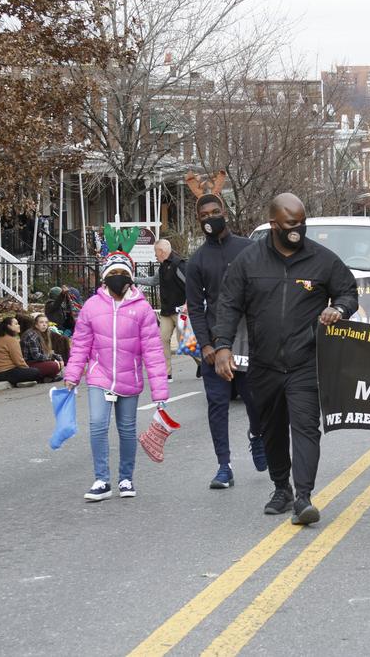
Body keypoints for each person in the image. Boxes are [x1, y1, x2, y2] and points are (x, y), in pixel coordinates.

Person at [213, 193, 358, 526]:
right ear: (274, 224)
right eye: (292, 224)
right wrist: (222, 346)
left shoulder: (323, 261)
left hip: (305, 361)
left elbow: (348, 290)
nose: (298, 230)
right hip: (263, 364)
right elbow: (229, 305)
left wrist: (339, 309)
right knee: (271, 430)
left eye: (302, 223)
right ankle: (282, 489)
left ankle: (304, 498)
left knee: (306, 428)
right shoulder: (249, 262)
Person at [63, 251, 169, 502]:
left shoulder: (142, 309)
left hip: (129, 378)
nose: (118, 278)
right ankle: (101, 479)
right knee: (98, 426)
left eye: (123, 274)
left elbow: (153, 354)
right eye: (113, 274)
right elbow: (80, 345)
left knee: (127, 429)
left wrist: (160, 394)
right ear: (104, 278)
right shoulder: (91, 307)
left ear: (131, 279)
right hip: (100, 377)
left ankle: (125, 478)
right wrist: (72, 374)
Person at [186, 194, 266, 489]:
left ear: (225, 213)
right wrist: (205, 345)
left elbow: (265, 292)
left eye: (214, 212)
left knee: (255, 402)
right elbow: (195, 307)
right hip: (215, 345)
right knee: (217, 404)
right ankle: (224, 466)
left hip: (247, 343)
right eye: (204, 215)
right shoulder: (197, 261)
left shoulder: (250, 249)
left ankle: (257, 435)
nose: (210, 218)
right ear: (199, 220)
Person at [135, 239, 189, 381]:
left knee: (185, 342)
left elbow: (191, 285)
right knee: (162, 339)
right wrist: (133, 279)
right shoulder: (162, 266)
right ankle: (167, 373)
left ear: (161, 251)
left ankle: (203, 363)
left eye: (155, 252)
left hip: (181, 311)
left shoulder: (179, 265)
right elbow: (153, 281)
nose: (155, 255)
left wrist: (188, 303)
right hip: (166, 311)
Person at [0, 316, 42, 386]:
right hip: (4, 373)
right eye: (16, 324)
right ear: (9, 326)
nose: (19, 325)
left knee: (32, 371)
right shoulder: (11, 340)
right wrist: (28, 370)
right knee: (36, 372)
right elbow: (19, 361)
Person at [20, 313, 63, 382]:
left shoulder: (42, 334)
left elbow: (45, 352)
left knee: (58, 363)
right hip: (28, 364)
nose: (44, 324)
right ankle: (44, 377)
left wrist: (59, 358)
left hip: (36, 362)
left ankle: (46, 378)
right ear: (36, 325)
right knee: (54, 365)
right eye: (41, 322)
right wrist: (52, 359)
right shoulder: (32, 335)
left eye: (46, 322)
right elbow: (36, 356)